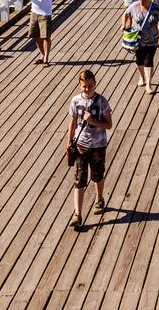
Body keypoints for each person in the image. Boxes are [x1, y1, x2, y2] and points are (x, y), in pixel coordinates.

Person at [66, 69, 113, 229]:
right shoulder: (75, 101)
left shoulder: (102, 102)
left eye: (90, 86)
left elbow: (109, 124)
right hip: (81, 145)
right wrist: (69, 141)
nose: (87, 89)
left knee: (97, 175)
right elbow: (72, 122)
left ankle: (99, 199)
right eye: (84, 86)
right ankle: (77, 214)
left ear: (95, 84)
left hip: (98, 145)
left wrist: (93, 122)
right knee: (79, 179)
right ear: (80, 85)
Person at [120, 0, 159, 92]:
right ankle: (141, 77)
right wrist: (123, 24)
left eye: (143, 0)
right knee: (139, 61)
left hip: (152, 39)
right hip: (138, 39)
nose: (141, 1)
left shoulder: (156, 7)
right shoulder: (134, 6)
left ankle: (148, 84)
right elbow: (125, 14)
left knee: (149, 60)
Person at [20, 0, 56, 66]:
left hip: (45, 13)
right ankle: (42, 55)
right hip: (34, 11)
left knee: (46, 37)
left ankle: (46, 58)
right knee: (35, 36)